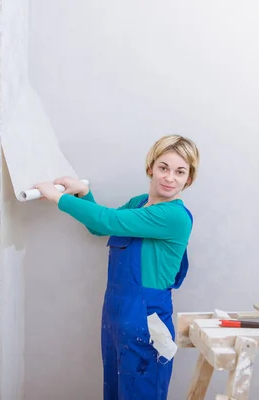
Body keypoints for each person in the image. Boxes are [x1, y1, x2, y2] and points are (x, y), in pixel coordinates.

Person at [34, 134, 200, 400]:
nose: (170, 177)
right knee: (114, 392)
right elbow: (98, 225)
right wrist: (84, 193)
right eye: (163, 168)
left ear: (189, 179)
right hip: (116, 315)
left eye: (180, 172)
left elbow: (107, 220)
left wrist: (58, 198)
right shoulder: (139, 203)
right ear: (150, 168)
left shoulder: (173, 215)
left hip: (147, 320)